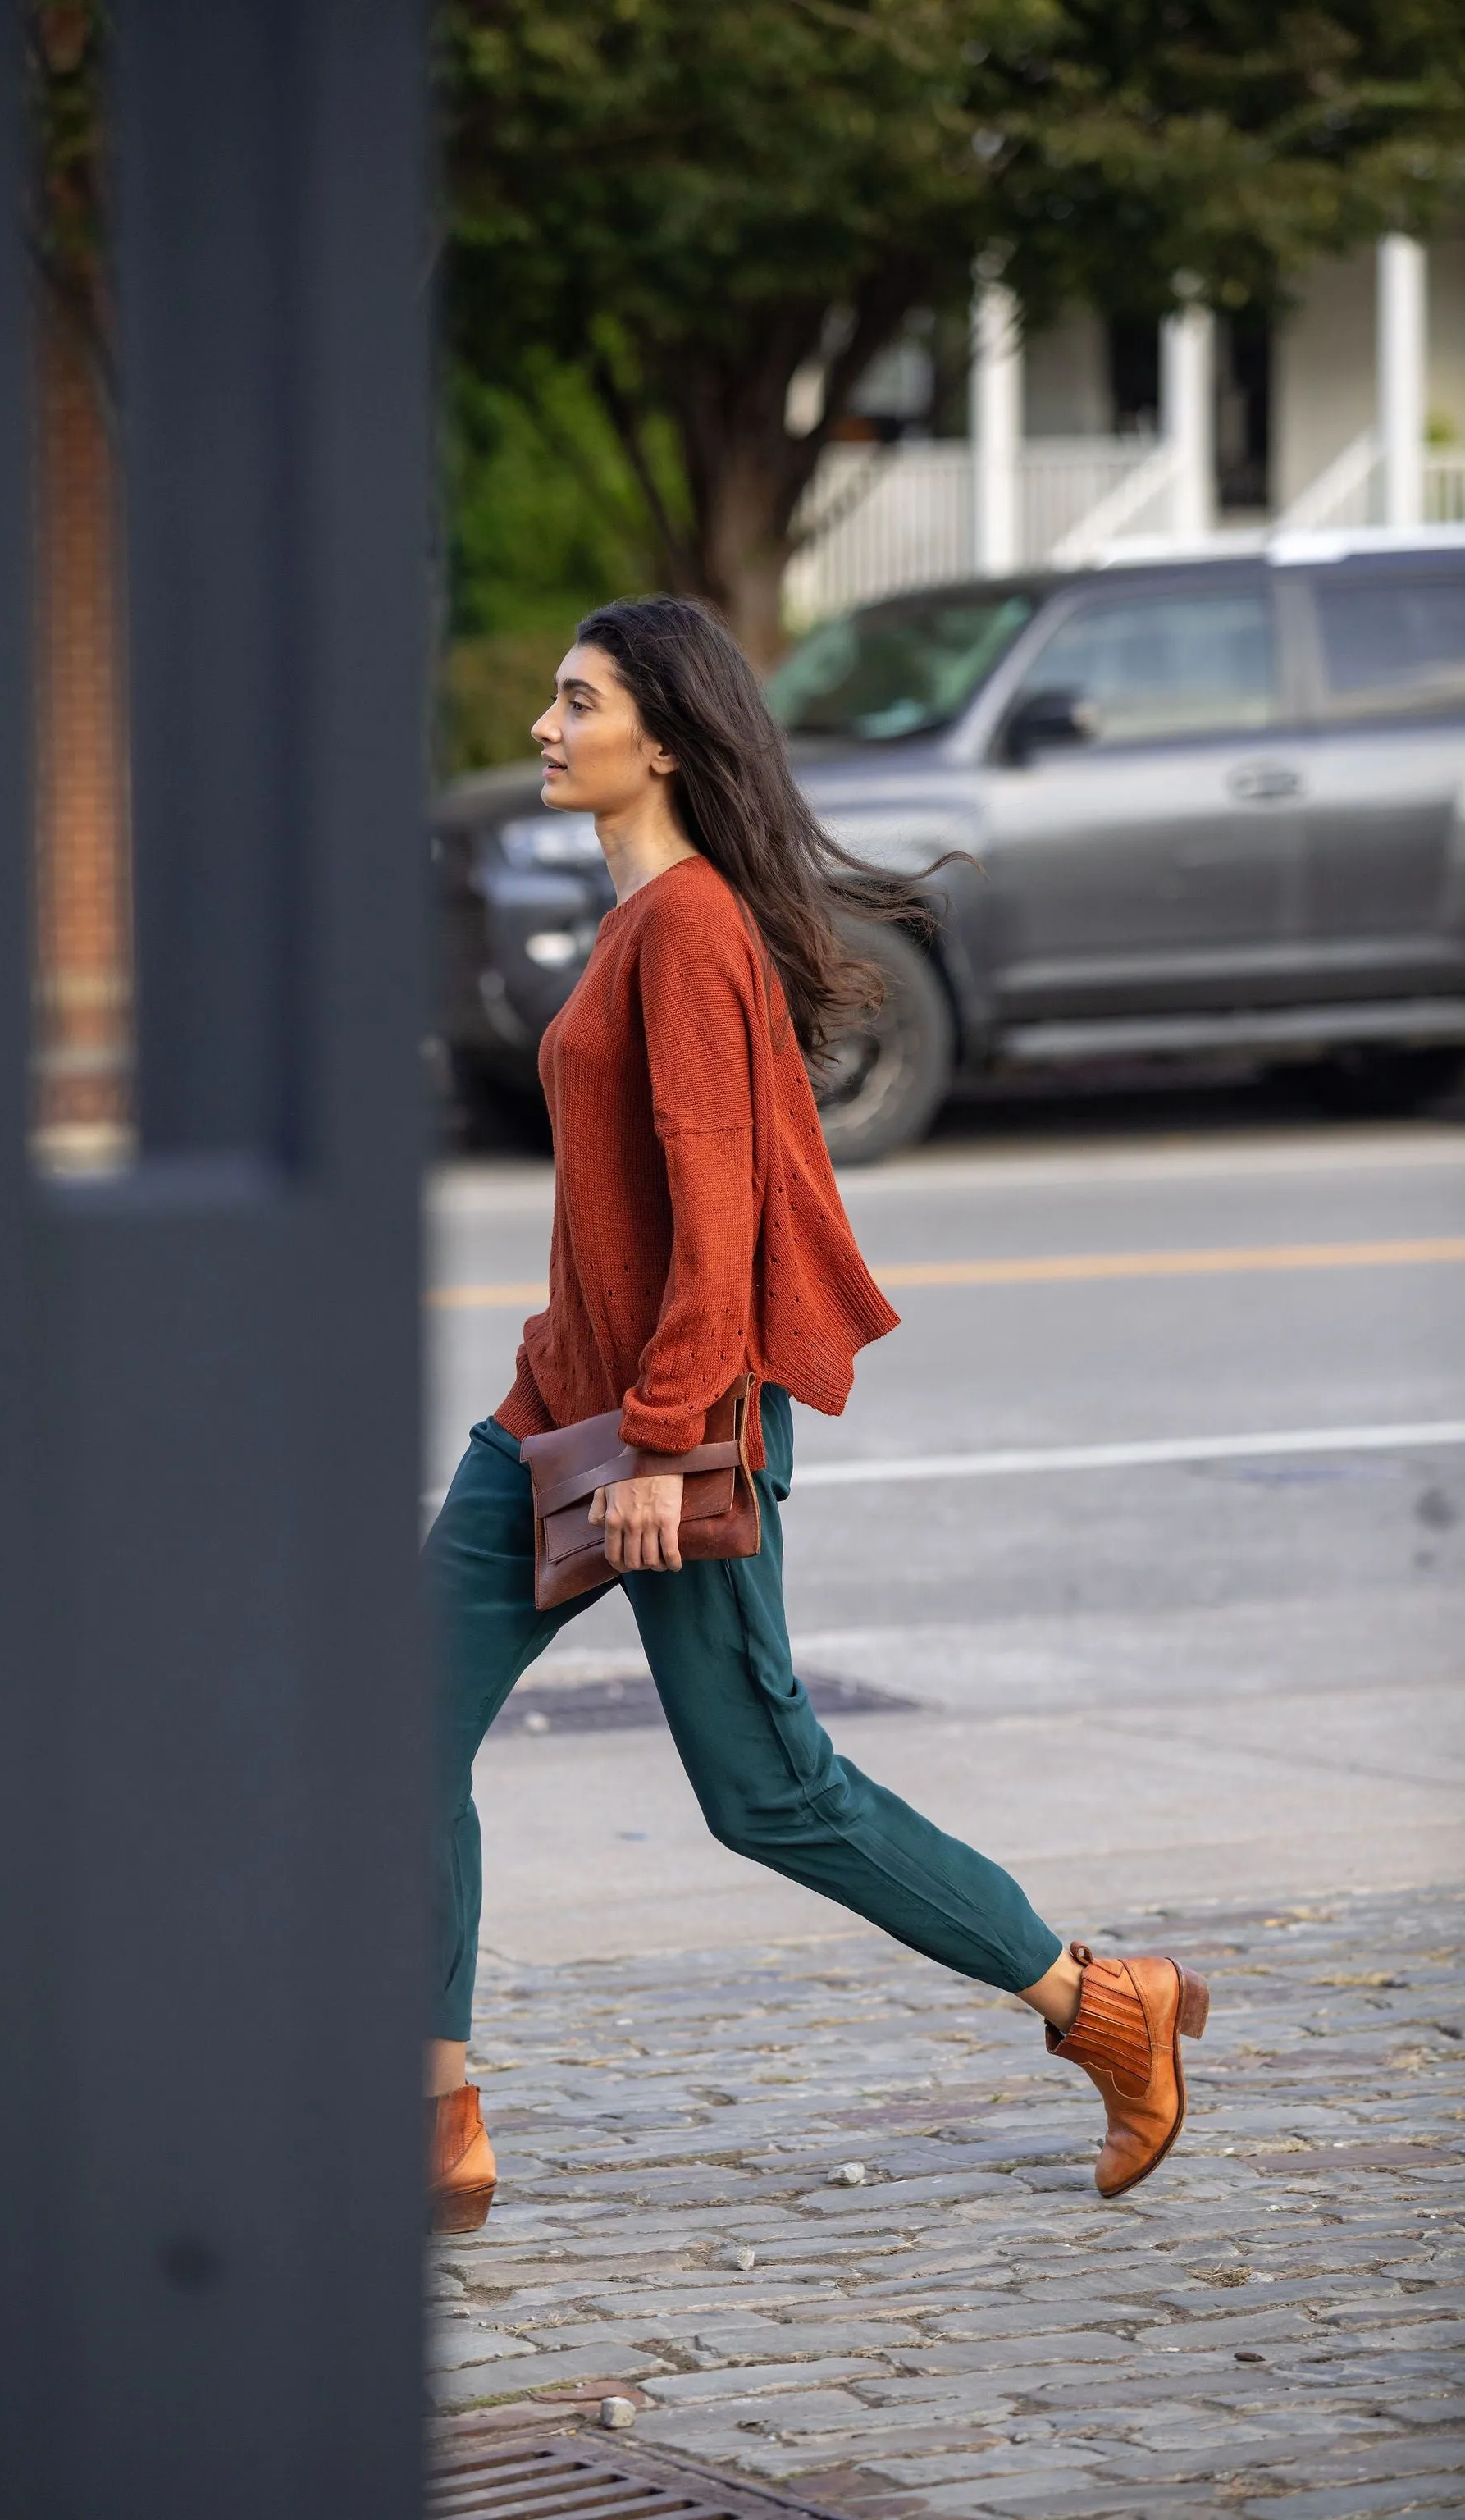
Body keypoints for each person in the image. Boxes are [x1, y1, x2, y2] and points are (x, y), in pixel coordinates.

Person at [424, 596, 1208, 2235]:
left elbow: (718, 1219)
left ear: (663, 735)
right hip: (550, 1420)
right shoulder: (641, 917)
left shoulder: (692, 930)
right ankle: (435, 2113)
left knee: (766, 1789)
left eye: (575, 702)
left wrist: (659, 1440)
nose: (543, 730)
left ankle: (1093, 2001)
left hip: (664, 1430)